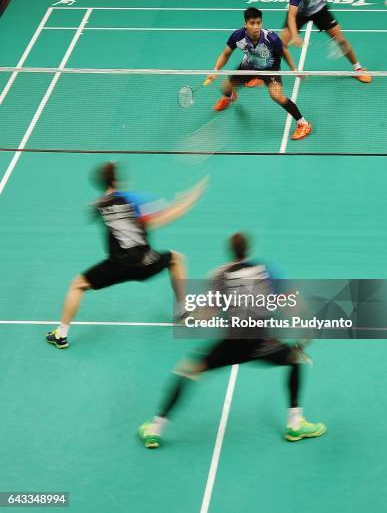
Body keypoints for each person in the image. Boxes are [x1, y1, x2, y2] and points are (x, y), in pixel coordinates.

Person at [139, 232, 326, 448]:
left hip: (233, 344)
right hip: (262, 342)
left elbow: (207, 313)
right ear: (248, 249)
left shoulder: (219, 275)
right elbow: (290, 303)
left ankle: (155, 429)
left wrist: (190, 316)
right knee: (296, 360)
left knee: (186, 371)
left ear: (230, 251)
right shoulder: (267, 270)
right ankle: (295, 424)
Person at [46, 162, 206, 349]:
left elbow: (95, 209)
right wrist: (187, 200)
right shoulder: (134, 199)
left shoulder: (99, 204)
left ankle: (61, 334)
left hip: (117, 266)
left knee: (77, 285)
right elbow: (161, 219)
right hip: (146, 263)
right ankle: (182, 312)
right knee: (176, 259)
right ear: (116, 180)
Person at [206, 7, 312, 141]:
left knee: (277, 96)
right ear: (245, 24)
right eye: (252, 23)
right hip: (249, 65)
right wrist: (216, 70)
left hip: (270, 69)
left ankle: (303, 123)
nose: (256, 27)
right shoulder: (237, 36)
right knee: (225, 87)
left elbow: (284, 52)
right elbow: (226, 53)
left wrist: (294, 69)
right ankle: (231, 97)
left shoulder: (270, 37)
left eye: (258, 22)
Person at [281, 0, 372, 83]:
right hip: (300, 14)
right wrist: (295, 36)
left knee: (341, 40)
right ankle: (281, 71)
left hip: (320, 10)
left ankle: (358, 68)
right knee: (279, 44)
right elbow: (291, 15)